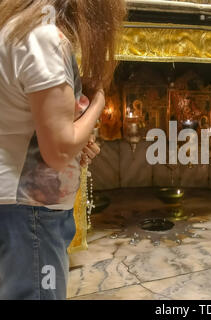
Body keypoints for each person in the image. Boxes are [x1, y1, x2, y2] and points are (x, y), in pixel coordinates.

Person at [0, 0, 126, 300]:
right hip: (31, 212)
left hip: (20, 208)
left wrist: (76, 140)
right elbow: (57, 152)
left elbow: (31, 123)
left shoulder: (18, 27)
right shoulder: (43, 38)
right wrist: (98, 101)